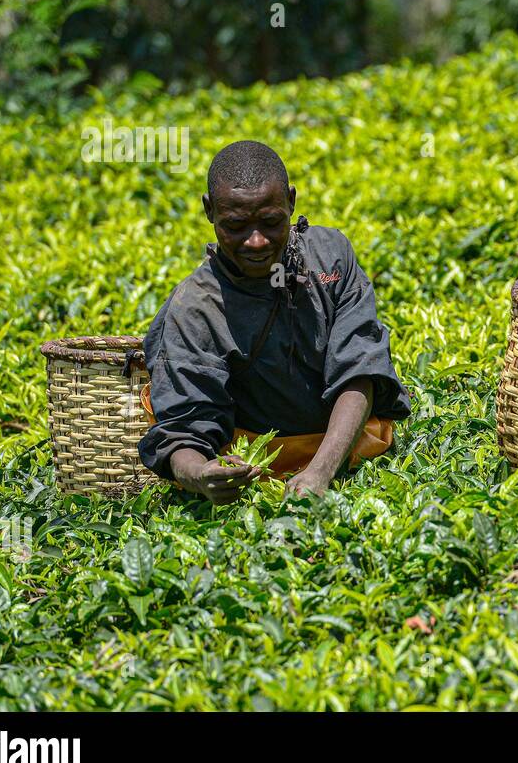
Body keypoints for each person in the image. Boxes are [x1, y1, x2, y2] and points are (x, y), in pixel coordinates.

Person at [137, 140, 411, 502]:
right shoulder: (196, 307)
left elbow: (360, 370)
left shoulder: (330, 258)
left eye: (271, 222)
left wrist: (321, 471)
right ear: (209, 211)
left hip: (350, 447)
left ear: (291, 202)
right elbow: (183, 429)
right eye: (235, 226)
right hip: (255, 464)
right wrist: (201, 474)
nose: (256, 241)